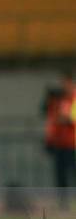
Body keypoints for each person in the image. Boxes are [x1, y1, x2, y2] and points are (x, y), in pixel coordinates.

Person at [43, 72, 75, 208]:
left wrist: (64, 118)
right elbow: (48, 115)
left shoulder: (73, 99)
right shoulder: (58, 100)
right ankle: (63, 203)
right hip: (59, 143)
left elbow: (70, 118)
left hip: (73, 144)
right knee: (60, 175)